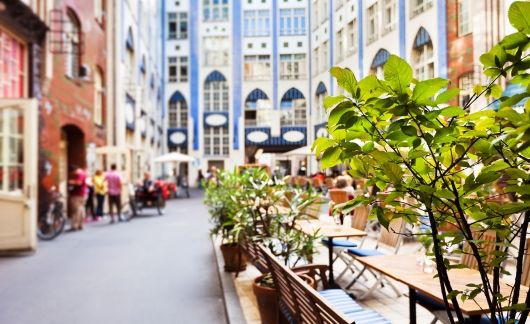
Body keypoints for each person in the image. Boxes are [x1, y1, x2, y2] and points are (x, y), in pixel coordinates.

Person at [68, 167, 87, 231]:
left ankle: (75, 225)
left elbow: (79, 182)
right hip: (82, 194)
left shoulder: (80, 174)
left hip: (78, 195)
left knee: (76, 210)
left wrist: (71, 181)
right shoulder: (83, 173)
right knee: (81, 210)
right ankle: (80, 224)